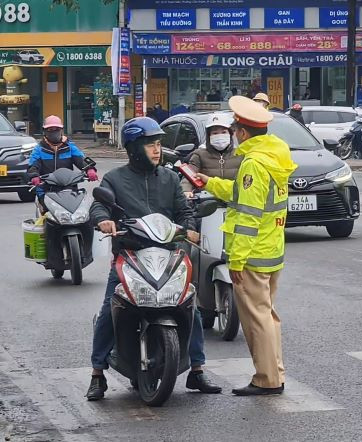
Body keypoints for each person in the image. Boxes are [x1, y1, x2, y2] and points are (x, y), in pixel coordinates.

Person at [86, 117, 220, 400]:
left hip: (169, 255)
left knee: (190, 307)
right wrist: (103, 221)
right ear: (135, 148)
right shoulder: (115, 179)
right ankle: (97, 373)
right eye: (150, 145)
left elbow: (184, 211)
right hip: (130, 254)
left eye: (159, 144)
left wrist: (191, 229)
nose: (157, 150)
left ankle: (196, 369)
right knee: (112, 308)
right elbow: (99, 205)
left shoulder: (170, 178)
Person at [196, 96, 297, 396]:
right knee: (268, 315)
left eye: (235, 128)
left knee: (256, 320)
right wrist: (210, 183)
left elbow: (248, 217)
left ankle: (267, 379)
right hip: (272, 248)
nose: (231, 134)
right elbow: (244, 194)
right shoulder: (275, 156)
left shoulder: (253, 163)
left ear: (241, 133)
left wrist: (236, 261)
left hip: (252, 253)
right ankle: (274, 372)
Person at [27, 115, 98, 205]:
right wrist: (34, 176)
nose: (53, 132)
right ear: (44, 131)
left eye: (56, 129)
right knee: (44, 213)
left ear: (61, 130)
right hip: (46, 189)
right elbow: (33, 165)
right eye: (50, 130)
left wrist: (90, 169)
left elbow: (81, 159)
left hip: (69, 188)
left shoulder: (69, 146)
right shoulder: (39, 149)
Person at [182, 113, 242, 195]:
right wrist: (186, 190)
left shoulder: (240, 154)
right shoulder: (200, 154)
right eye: (215, 133)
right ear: (209, 136)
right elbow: (190, 175)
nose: (220, 136)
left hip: (233, 199)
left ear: (230, 134)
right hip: (208, 201)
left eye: (223, 132)